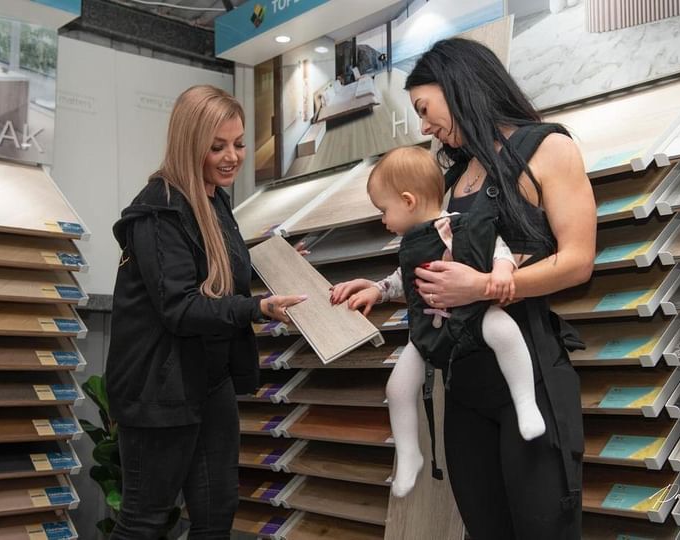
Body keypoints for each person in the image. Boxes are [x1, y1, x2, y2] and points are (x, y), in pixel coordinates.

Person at [330, 38, 596, 539]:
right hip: (464, 387)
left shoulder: (549, 148)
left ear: (459, 86)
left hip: (529, 376)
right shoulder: (452, 177)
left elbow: (578, 262)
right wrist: (385, 289)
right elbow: (437, 261)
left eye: (425, 109)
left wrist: (486, 286)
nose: (424, 125)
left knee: (544, 527)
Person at [105, 85, 306, 539]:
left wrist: (281, 262)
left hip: (207, 382)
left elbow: (217, 267)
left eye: (238, 143)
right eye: (217, 147)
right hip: (158, 390)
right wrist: (257, 308)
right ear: (188, 142)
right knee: (145, 519)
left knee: (216, 517)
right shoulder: (159, 210)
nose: (232, 156)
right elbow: (180, 307)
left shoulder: (214, 200)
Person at [351, 145, 545, 498]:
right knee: (397, 388)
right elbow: (403, 278)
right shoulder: (411, 243)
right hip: (428, 328)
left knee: (504, 330)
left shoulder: (457, 225)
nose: (383, 220)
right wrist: (377, 292)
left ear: (408, 201)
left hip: (472, 315)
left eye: (384, 210)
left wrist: (502, 270)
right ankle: (408, 454)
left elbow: (497, 246)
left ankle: (525, 402)